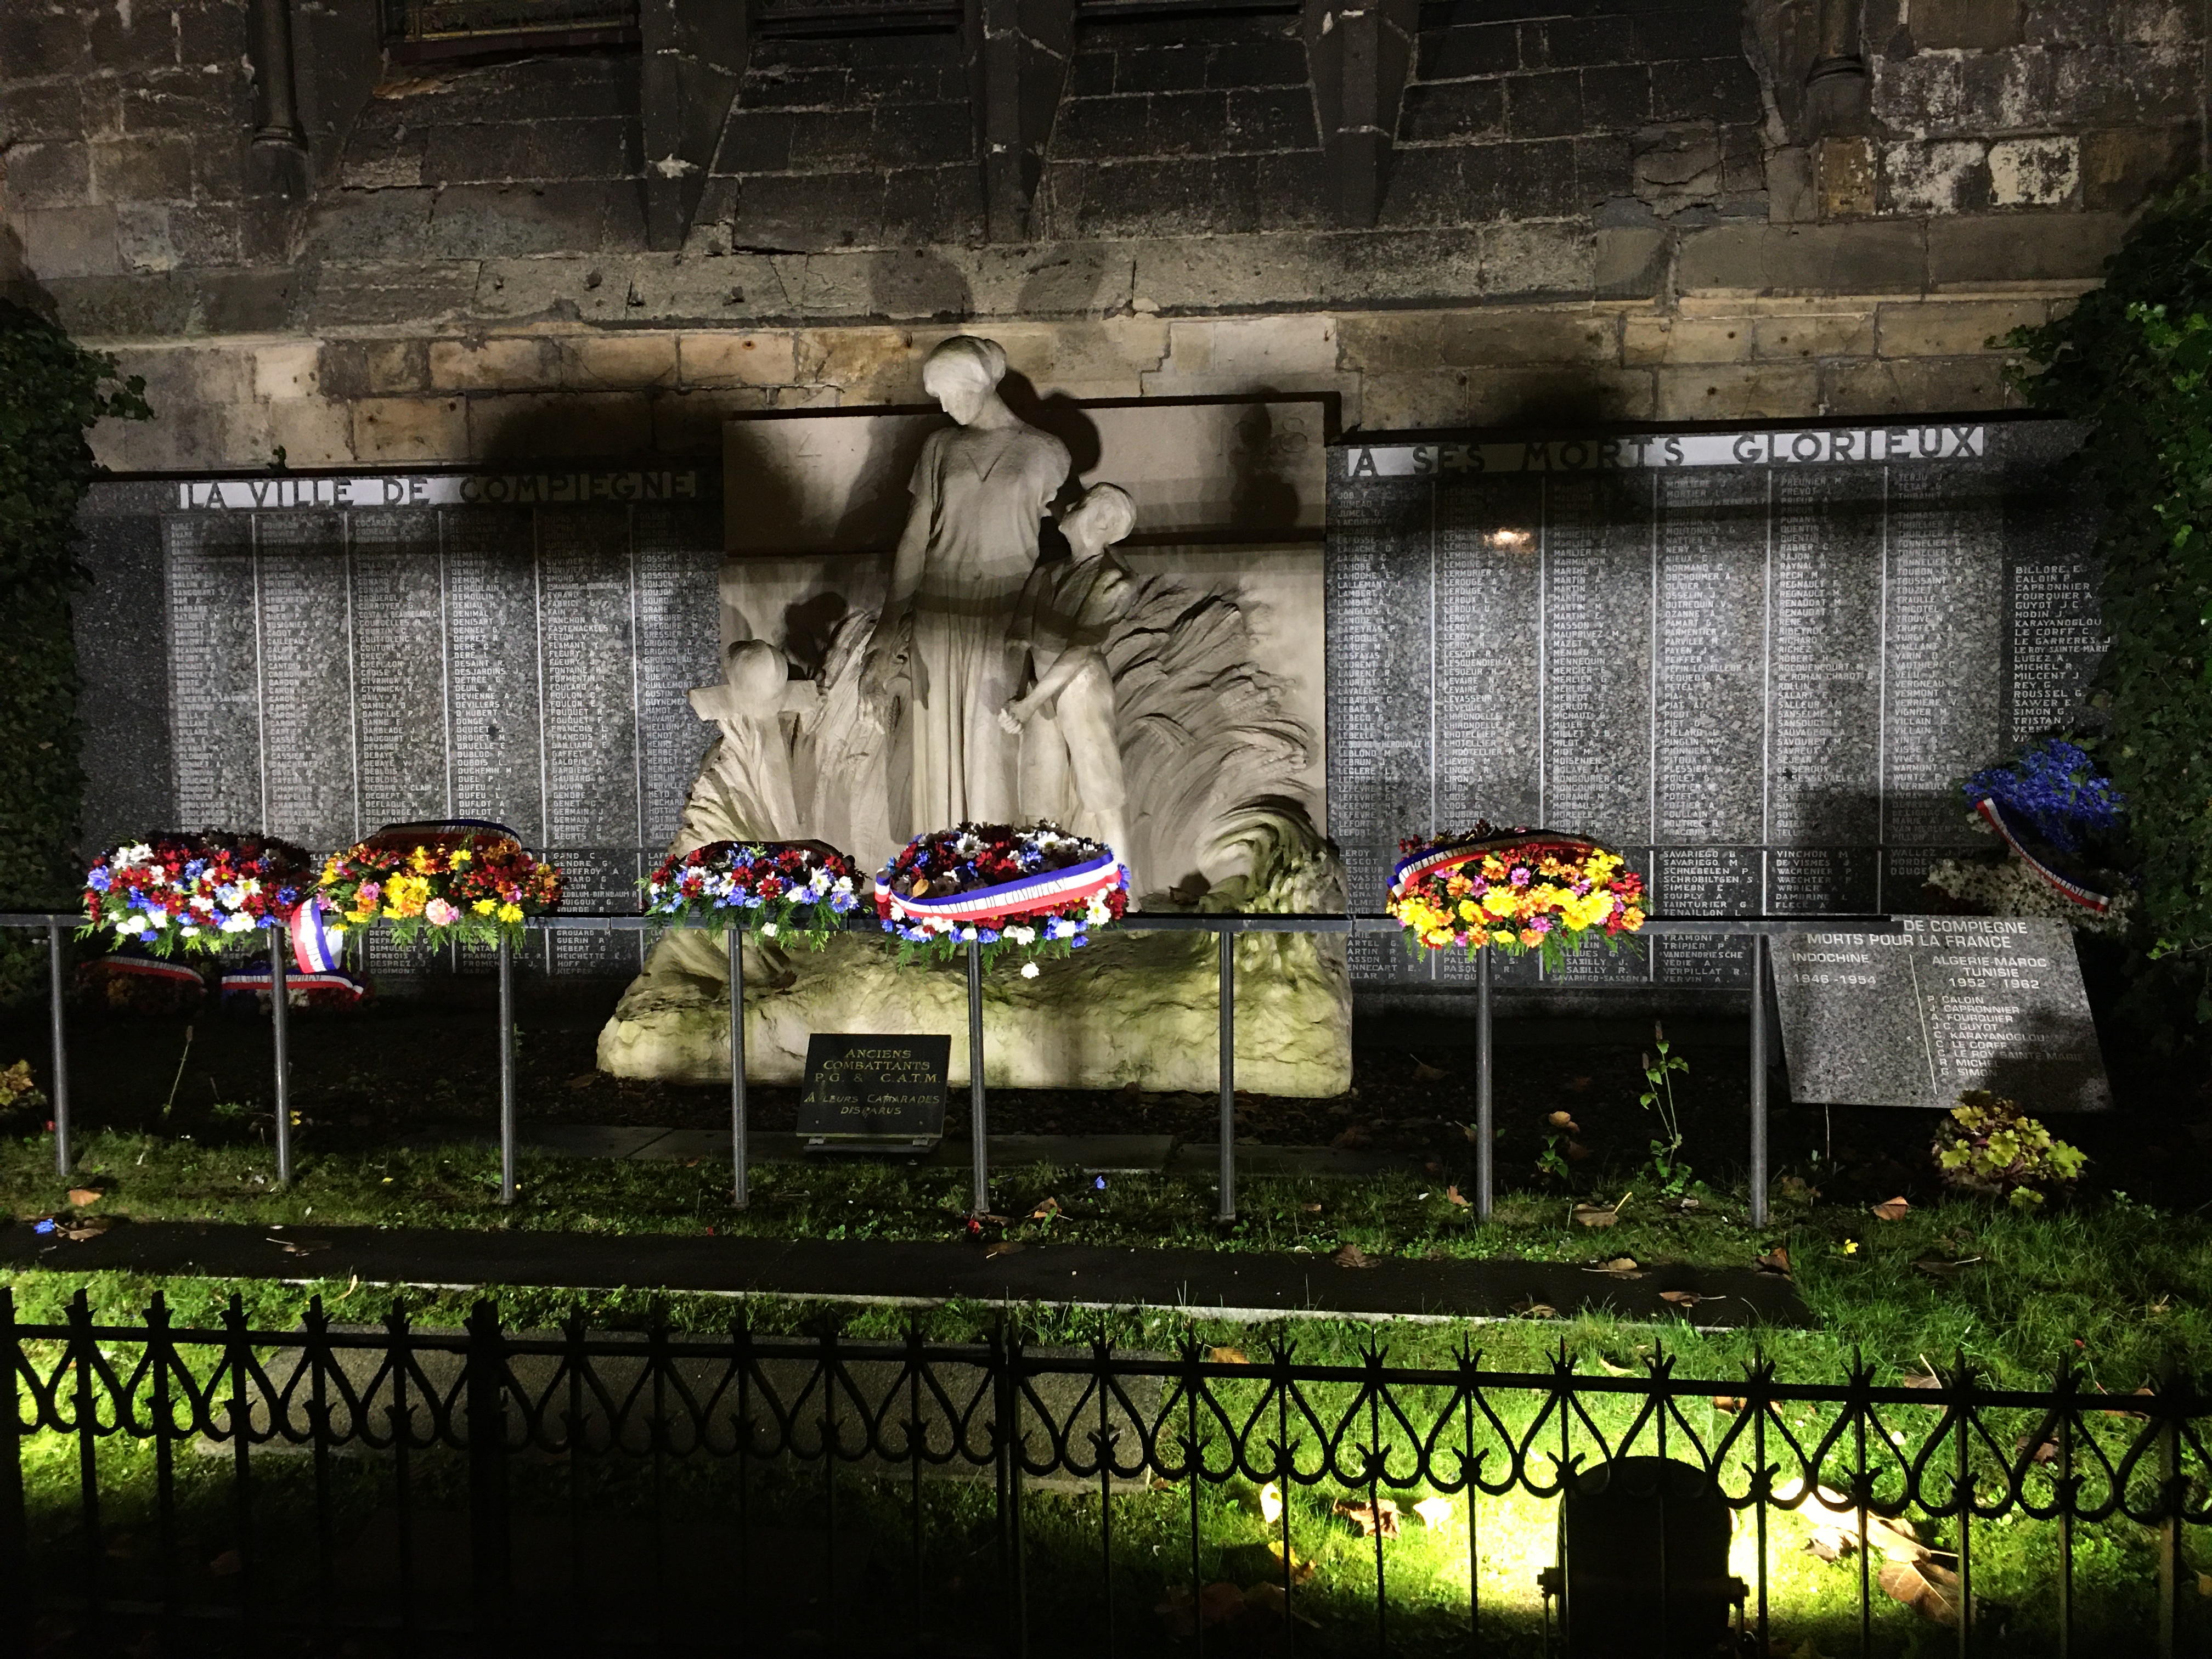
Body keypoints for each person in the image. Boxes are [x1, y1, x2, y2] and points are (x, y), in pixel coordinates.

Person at [861, 336, 1069, 831]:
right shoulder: (939, 447)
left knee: (993, 746)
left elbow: (1075, 535)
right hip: (938, 612)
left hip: (1004, 613)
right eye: (939, 397)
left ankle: (994, 869)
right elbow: (915, 540)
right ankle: (941, 864)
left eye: (952, 393)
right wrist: (889, 626)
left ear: (981, 384)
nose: (945, 407)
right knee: (937, 751)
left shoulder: (1044, 451)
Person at [999, 482, 1136, 879]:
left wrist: (1027, 704)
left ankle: (1124, 893)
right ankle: (1042, 887)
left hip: (1081, 688)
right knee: (1039, 790)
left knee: (1102, 789)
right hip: (1038, 689)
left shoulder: (1115, 581)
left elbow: (1080, 649)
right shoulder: (1046, 574)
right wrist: (1019, 695)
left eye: (1084, 503)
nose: (1073, 505)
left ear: (1103, 523)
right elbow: (1018, 637)